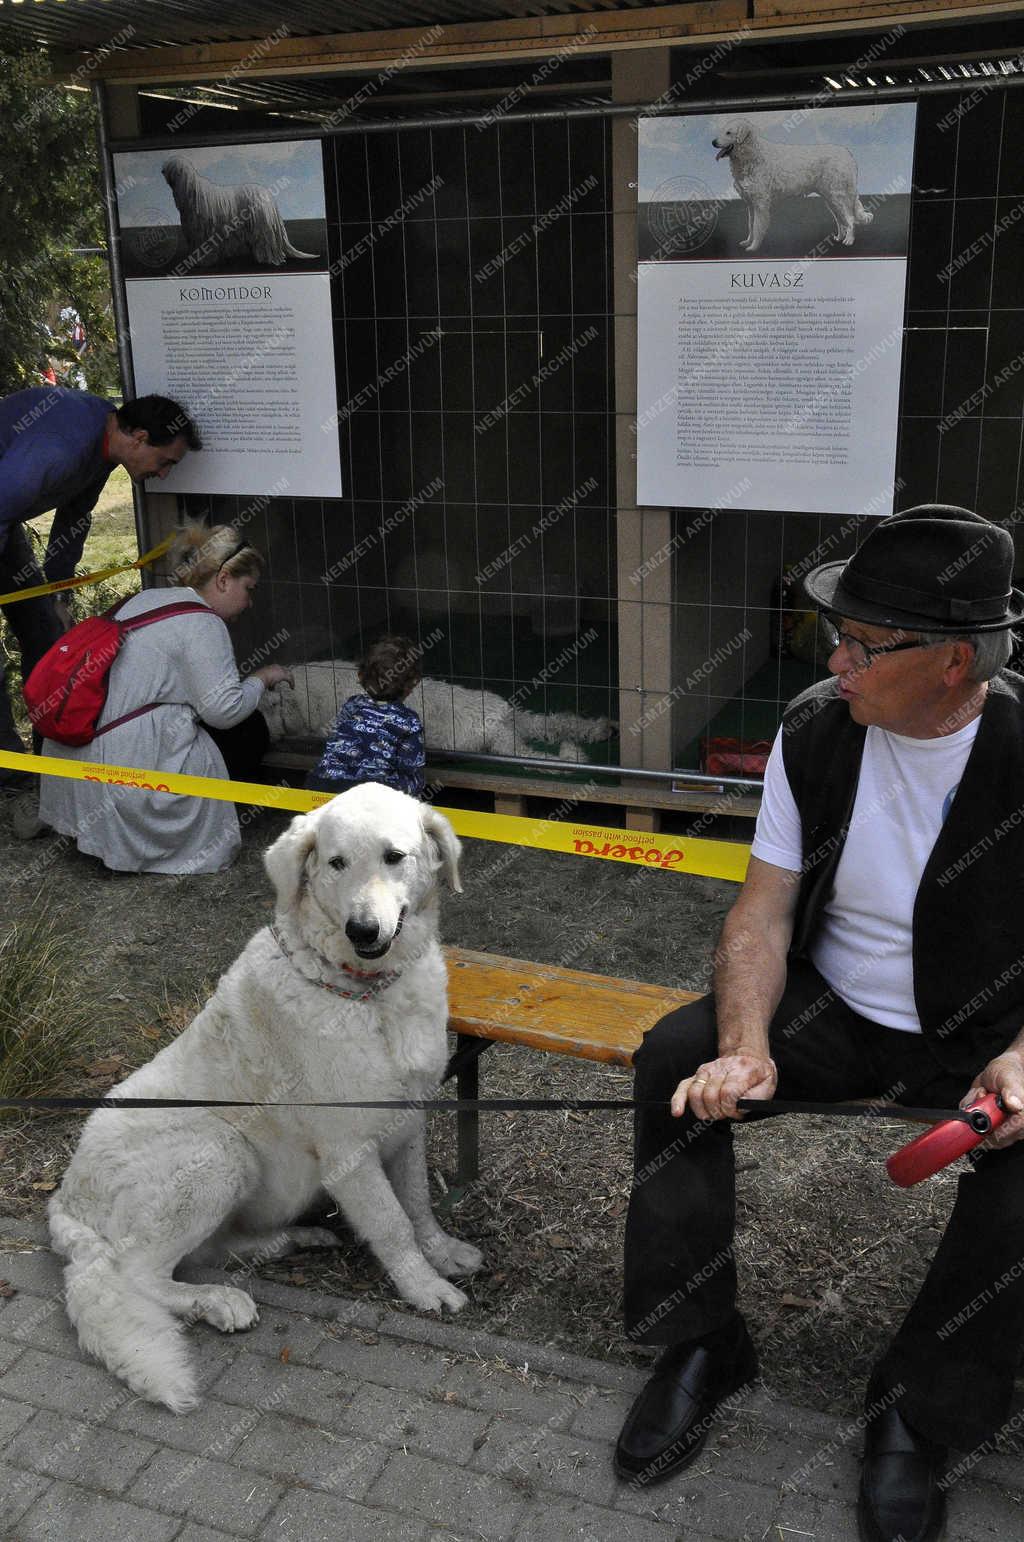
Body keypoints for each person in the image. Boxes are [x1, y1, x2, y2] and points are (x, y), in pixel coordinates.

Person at [615, 504, 1024, 1542]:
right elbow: (760, 910)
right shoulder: (813, 729)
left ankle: (920, 1417)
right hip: (835, 1005)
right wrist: (744, 1045)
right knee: (675, 1057)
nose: (833, 657)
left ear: (951, 662)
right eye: (835, 635)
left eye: (860, 642)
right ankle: (702, 1342)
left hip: (988, 1032)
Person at [38, 523, 292, 874]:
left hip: (77, 768)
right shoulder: (203, 622)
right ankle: (171, 833)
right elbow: (224, 711)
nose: (249, 602)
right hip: (121, 776)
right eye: (248, 589)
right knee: (248, 730)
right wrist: (262, 679)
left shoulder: (147, 599)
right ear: (223, 579)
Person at [0, 388, 200, 776]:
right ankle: (6, 767)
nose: (163, 473)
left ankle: (49, 765)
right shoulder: (62, 446)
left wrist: (59, 593)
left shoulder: (104, 445)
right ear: (139, 438)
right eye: (165, 462)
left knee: (44, 632)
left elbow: (73, 519)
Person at [306, 634, 426, 798]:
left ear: (360, 676)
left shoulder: (352, 705)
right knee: (414, 779)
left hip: (323, 784)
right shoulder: (409, 720)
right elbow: (411, 765)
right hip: (370, 795)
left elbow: (335, 738)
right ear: (412, 685)